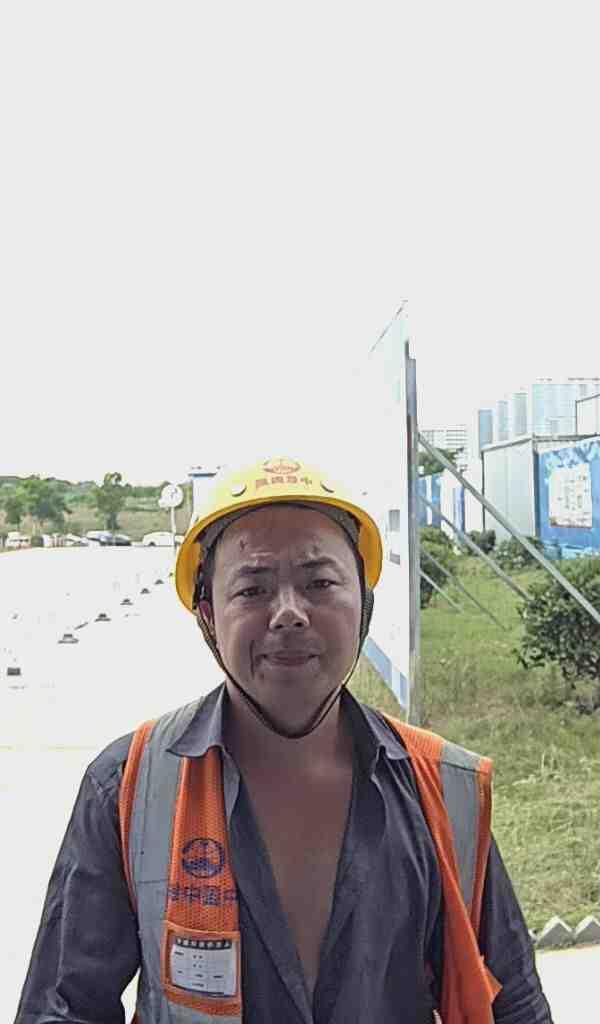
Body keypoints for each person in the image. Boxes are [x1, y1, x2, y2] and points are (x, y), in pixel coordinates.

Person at [15, 457, 553, 1024]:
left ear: (364, 603)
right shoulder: (128, 787)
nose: (289, 614)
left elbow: (514, 1005)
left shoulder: (444, 789)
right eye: (253, 589)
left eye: (320, 583)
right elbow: (63, 1008)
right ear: (208, 616)